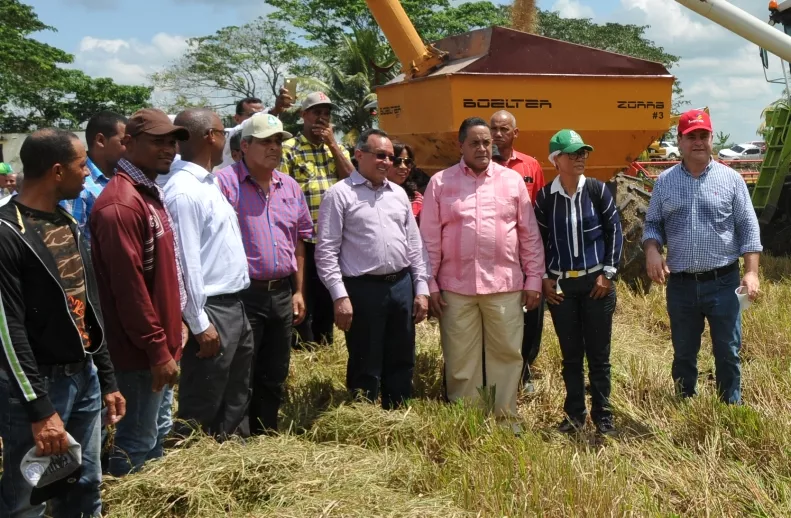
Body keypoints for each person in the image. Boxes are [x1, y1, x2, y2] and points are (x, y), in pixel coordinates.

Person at [0, 129, 125, 517]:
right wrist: (40, 410)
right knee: (28, 499)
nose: (87, 173)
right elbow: (8, 332)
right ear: (57, 171)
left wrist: (105, 378)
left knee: (86, 484)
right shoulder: (7, 233)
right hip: (36, 387)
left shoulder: (66, 222)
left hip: (82, 377)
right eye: (80, 165)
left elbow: (86, 307)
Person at [420, 117, 545, 422]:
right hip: (455, 289)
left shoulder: (511, 181)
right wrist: (430, 286)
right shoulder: (440, 182)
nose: (482, 148)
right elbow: (428, 241)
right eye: (474, 142)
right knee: (461, 359)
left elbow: (528, 233)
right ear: (460, 145)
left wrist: (534, 279)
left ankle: (505, 419)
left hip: (505, 285)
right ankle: (469, 421)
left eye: (487, 142)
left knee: (506, 354)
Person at [90, 109, 188, 476]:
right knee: (136, 443)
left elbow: (161, 277)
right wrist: (156, 347)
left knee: (157, 433)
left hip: (157, 345)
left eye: (173, 141)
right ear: (128, 144)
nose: (169, 149)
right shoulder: (120, 205)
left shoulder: (146, 193)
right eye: (157, 141)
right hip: (139, 353)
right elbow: (128, 291)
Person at [642, 109, 762, 404]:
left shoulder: (731, 180)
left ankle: (730, 406)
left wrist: (752, 272)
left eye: (703, 136)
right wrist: (652, 250)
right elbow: (653, 223)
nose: (698, 142)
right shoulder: (665, 182)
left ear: (711, 139)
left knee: (728, 351)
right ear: (679, 141)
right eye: (691, 136)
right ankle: (685, 402)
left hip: (723, 281)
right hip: (681, 284)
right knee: (683, 351)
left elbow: (748, 228)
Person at [316, 129, 430, 408]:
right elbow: (326, 252)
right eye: (380, 155)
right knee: (365, 358)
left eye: (390, 157)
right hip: (362, 289)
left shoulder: (399, 195)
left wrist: (422, 289)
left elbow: (414, 246)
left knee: (402, 356)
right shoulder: (339, 195)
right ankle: (363, 413)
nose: (387, 162)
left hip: (401, 285)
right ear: (359, 155)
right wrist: (339, 296)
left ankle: (398, 411)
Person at [216, 114, 313, 434]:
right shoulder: (224, 183)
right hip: (242, 295)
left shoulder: (291, 187)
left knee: (275, 370)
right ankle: (238, 438)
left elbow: (298, 242)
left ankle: (266, 433)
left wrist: (298, 291)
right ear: (244, 146)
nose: (275, 148)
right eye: (266, 142)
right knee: (242, 372)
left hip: (281, 293)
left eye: (278, 142)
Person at [164, 109, 254, 438]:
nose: (227, 138)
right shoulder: (184, 192)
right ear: (210, 137)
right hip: (211, 310)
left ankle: (232, 466)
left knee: (235, 398)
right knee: (202, 405)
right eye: (222, 131)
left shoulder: (207, 183)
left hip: (233, 307)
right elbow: (183, 266)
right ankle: (188, 474)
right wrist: (199, 323)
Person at [534, 129, 623, 435]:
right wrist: (544, 277)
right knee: (570, 357)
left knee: (599, 356)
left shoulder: (598, 191)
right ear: (556, 160)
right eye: (573, 154)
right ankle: (574, 415)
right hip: (562, 289)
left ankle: (603, 416)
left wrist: (608, 274)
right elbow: (538, 241)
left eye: (583, 152)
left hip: (597, 284)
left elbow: (615, 232)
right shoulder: (545, 198)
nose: (581, 158)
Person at [280, 92, 355, 348]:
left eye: (326, 113)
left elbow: (353, 180)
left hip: (333, 240)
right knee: (304, 300)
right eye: (316, 113)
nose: (322, 118)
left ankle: (325, 347)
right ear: (303, 116)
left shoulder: (337, 147)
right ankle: (303, 349)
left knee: (327, 298)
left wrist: (333, 144)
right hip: (303, 241)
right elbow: (281, 194)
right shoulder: (289, 149)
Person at [490, 109, 547, 393]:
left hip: (525, 255)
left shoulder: (530, 166)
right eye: (493, 129)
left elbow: (539, 212)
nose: (497, 134)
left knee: (531, 314)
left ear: (515, 133)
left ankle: (524, 371)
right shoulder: (479, 165)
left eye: (503, 129)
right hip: (494, 259)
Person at [61, 111, 127, 247]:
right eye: (124, 142)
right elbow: (72, 244)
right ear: (100, 141)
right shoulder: (79, 185)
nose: (128, 148)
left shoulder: (123, 177)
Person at [217, 91, 295, 170]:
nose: (273, 147)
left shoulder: (282, 180)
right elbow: (247, 125)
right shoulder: (227, 135)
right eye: (252, 114)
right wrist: (274, 110)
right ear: (237, 118)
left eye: (278, 142)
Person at [386, 141, 424, 222]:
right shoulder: (372, 196)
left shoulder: (416, 198)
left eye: (407, 162)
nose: (403, 167)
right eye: (397, 161)